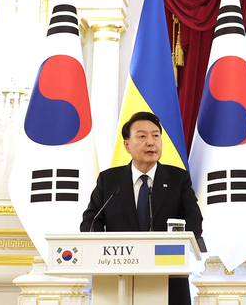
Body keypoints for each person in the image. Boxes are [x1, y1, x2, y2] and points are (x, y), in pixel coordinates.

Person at [80, 111, 203, 305]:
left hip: (169, 278)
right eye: (142, 136)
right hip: (117, 278)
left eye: (156, 136)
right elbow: (90, 221)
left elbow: (194, 221)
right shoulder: (110, 181)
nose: (151, 142)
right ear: (127, 145)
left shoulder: (178, 179)